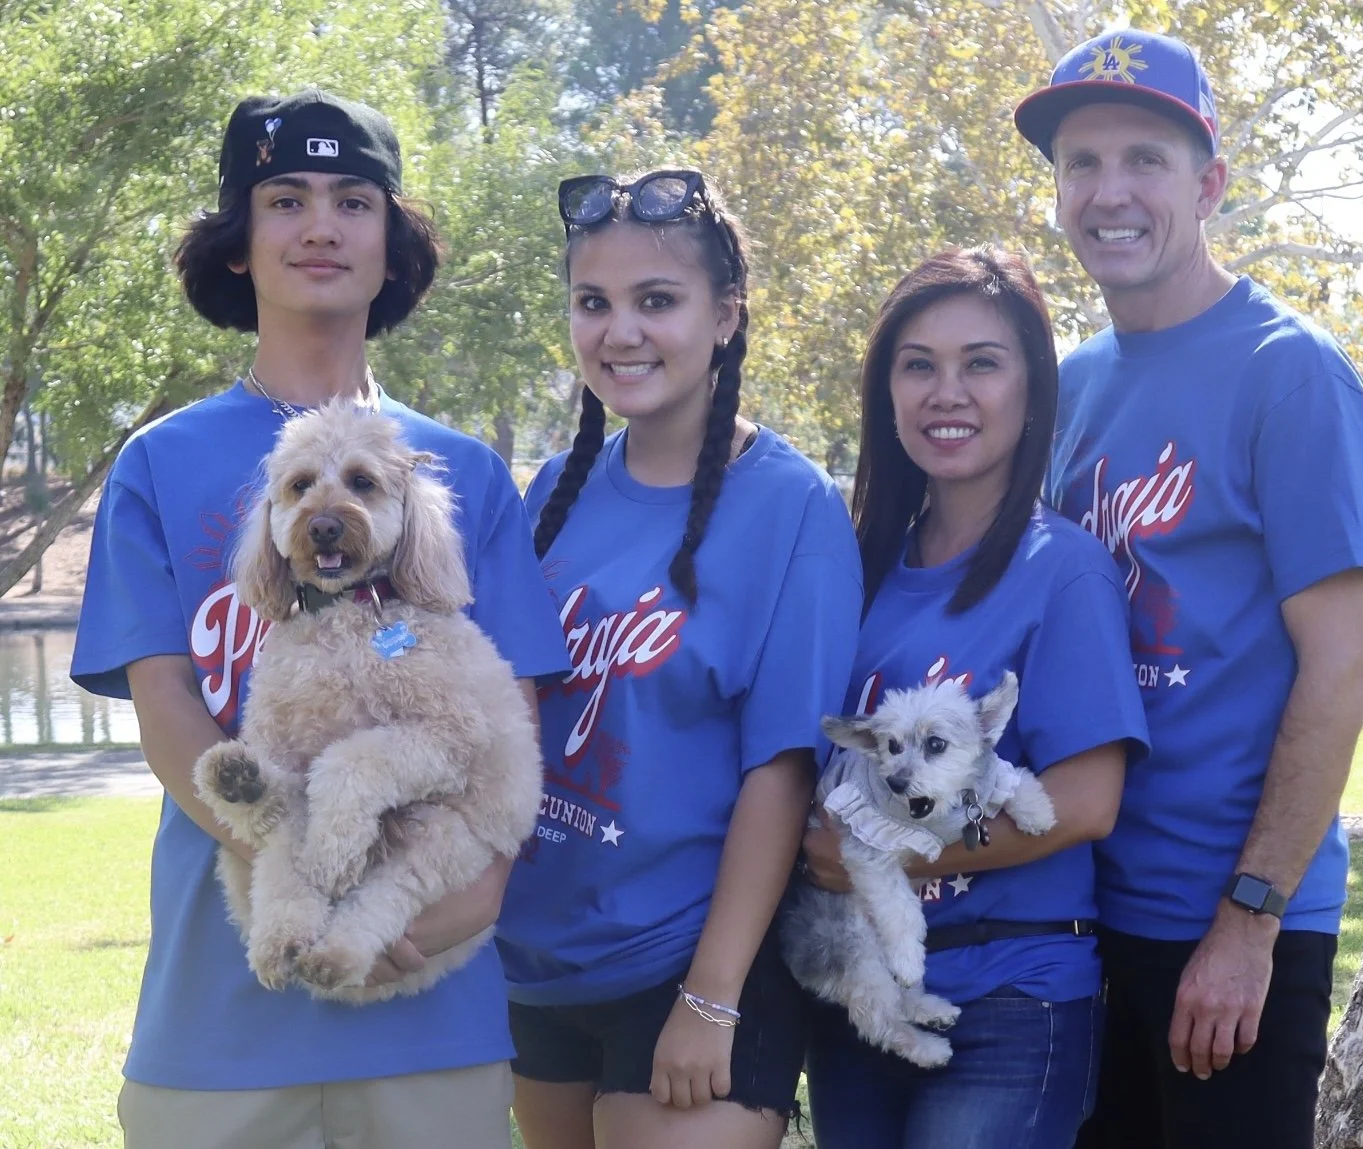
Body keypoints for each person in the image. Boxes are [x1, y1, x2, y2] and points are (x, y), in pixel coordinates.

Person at [70, 89, 567, 1149]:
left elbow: (505, 720)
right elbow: (166, 713)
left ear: (392, 246)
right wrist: (299, 864)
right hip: (221, 1020)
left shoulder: (462, 475)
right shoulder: (157, 462)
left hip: (431, 1001)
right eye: (284, 198)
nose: (320, 225)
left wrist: (472, 892)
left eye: (354, 200)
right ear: (240, 244)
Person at [1014, 29, 1363, 1148]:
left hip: (1228, 925)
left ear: (1209, 182)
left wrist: (1248, 921)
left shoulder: (1291, 373)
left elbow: (1340, 668)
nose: (1107, 192)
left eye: (1143, 160)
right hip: (1074, 914)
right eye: (1080, 163)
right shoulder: (1065, 385)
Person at [494, 169, 863, 1149]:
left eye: (656, 301)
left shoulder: (792, 508)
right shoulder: (551, 496)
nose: (621, 332)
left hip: (684, 965)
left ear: (725, 318)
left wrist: (710, 996)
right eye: (593, 303)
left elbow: (781, 771)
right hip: (533, 966)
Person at [799, 246, 1150, 1149]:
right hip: (860, 991)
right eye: (918, 365)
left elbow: (1085, 801)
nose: (945, 392)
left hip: (1012, 994)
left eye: (981, 364)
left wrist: (894, 850)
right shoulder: (854, 567)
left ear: (1031, 389)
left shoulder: (1062, 572)